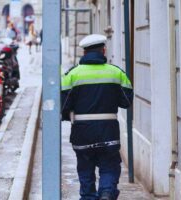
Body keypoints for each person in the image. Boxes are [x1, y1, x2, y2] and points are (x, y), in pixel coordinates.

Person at [61, 34, 133, 200]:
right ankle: (107, 193)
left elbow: (64, 106)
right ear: (103, 50)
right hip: (109, 132)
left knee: (85, 169)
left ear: (84, 52)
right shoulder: (116, 73)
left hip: (82, 132)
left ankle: (88, 196)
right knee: (109, 166)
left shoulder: (72, 75)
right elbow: (126, 101)